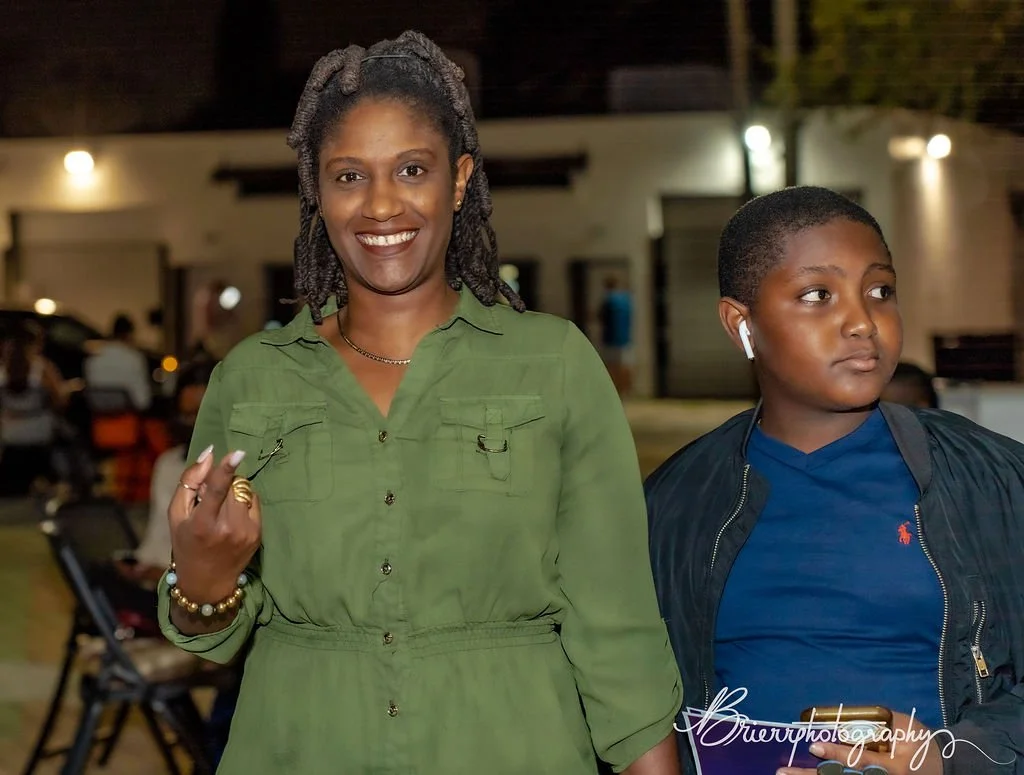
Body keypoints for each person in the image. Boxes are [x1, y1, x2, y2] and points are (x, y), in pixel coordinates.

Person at [158, 31, 681, 775]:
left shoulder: (554, 364)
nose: (381, 205)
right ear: (316, 190)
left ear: (459, 179)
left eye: (412, 169)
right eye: (349, 176)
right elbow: (207, 634)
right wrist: (204, 582)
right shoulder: (251, 380)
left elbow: (617, 619)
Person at [645, 187, 1024, 775]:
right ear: (741, 324)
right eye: (817, 295)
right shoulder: (673, 504)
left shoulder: (992, 480)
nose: (862, 322)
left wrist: (949, 759)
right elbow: (628, 694)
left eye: (880, 291)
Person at [0, 321, 70, 494]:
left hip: (10, 435)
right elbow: (60, 401)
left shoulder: (2, 369)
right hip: (40, 434)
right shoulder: (42, 368)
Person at [84, 313, 152, 412]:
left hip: (99, 419)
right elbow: (143, 402)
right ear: (129, 335)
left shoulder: (93, 360)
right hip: (127, 419)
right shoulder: (135, 359)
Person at [598, 276, 633, 396]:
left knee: (611, 366)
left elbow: (601, 316)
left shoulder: (608, 300)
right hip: (626, 338)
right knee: (625, 365)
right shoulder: (626, 299)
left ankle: (615, 391)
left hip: (611, 338)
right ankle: (626, 390)